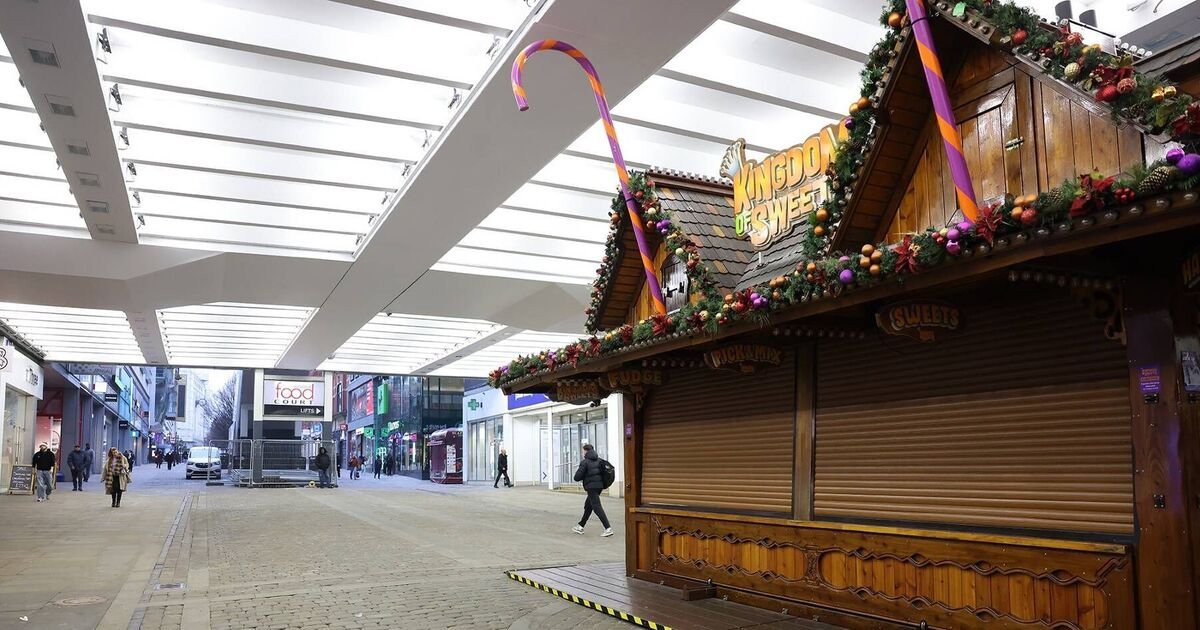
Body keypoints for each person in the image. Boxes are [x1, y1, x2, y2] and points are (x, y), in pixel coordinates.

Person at [572, 444, 613, 537]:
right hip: (599, 487)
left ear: (585, 451)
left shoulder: (585, 462)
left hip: (591, 487)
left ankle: (608, 528)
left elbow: (577, 477)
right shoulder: (599, 461)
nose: (582, 453)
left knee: (597, 507)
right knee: (588, 506)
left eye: (583, 451)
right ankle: (580, 526)